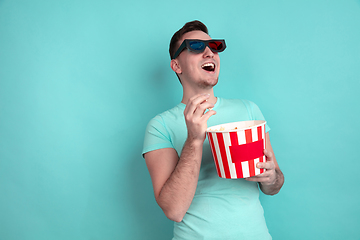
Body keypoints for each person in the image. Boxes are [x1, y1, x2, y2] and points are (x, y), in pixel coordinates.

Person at [142, 20, 284, 240]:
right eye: (196, 46)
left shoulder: (249, 110)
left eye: (214, 46)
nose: (209, 52)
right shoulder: (160, 126)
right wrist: (194, 139)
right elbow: (174, 210)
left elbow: (273, 185)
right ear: (176, 66)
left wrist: (272, 177)